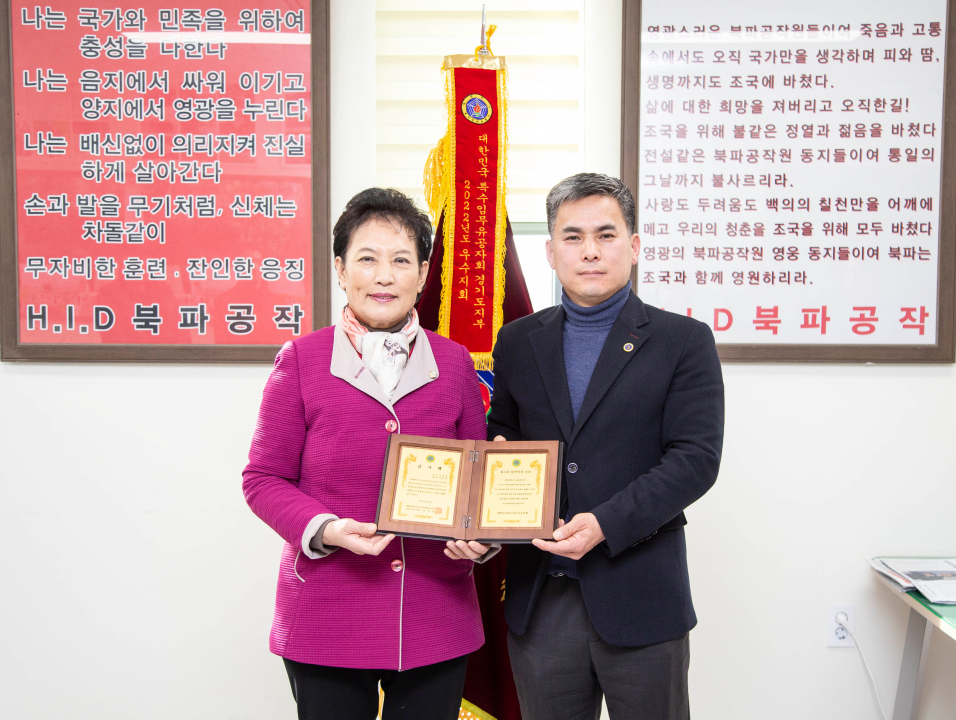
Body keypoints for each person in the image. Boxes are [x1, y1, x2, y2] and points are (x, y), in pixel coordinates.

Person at [243, 188, 497, 720]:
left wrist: (483, 539)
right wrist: (327, 528)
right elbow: (263, 479)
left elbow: (480, 482)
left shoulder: (454, 365)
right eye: (367, 258)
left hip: (435, 613)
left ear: (424, 275)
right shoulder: (301, 360)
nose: (384, 276)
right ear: (340, 269)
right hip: (329, 611)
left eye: (402, 260)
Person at [487, 173, 725, 720]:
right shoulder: (519, 341)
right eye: (572, 237)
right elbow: (502, 445)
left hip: (640, 594)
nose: (589, 251)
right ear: (550, 252)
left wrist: (605, 522)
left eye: (606, 235)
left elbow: (695, 459)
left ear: (634, 246)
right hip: (541, 598)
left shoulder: (683, 340)